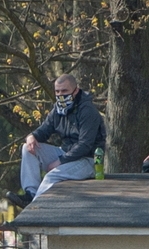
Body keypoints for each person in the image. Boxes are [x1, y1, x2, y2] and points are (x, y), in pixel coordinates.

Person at [6, 74, 107, 209]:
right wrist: (31, 136)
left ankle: (34, 209)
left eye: (64, 91)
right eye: (57, 91)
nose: (60, 95)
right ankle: (31, 195)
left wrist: (60, 161)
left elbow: (85, 145)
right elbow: (43, 131)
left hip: (87, 161)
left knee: (52, 176)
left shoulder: (88, 111)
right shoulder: (57, 110)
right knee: (28, 148)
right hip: (65, 154)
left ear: (75, 91)